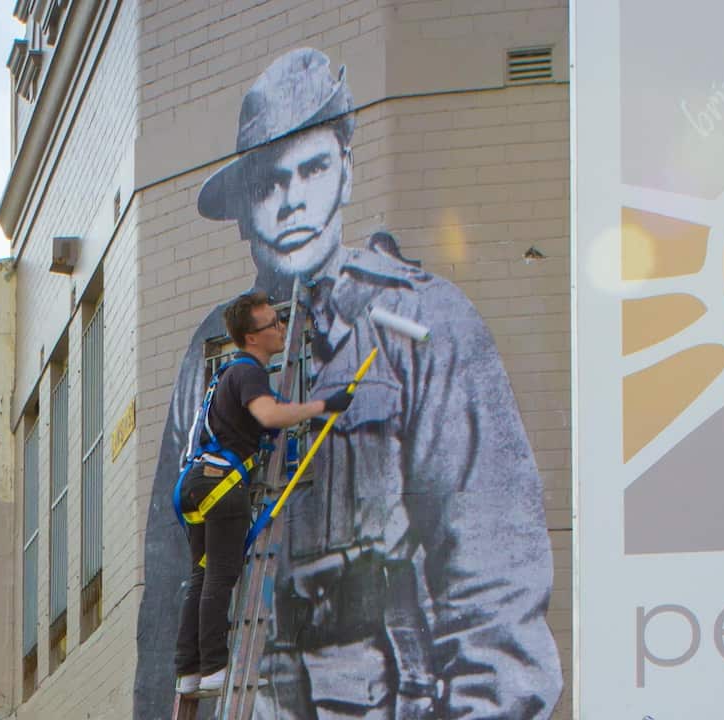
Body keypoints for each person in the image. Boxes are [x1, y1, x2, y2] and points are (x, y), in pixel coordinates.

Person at [134, 48, 563, 720]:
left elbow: (495, 582)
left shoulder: (425, 322)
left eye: (312, 169)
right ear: (245, 210)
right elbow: (168, 583)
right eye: (270, 183)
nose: (292, 199)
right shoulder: (210, 356)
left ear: (347, 176)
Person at [174, 291, 353, 695]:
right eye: (272, 324)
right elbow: (269, 415)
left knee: (202, 577)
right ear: (251, 338)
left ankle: (189, 672)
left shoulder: (227, 375)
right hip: (221, 486)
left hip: (197, 484)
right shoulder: (249, 372)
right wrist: (323, 405)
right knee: (221, 575)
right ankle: (216, 668)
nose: (280, 329)